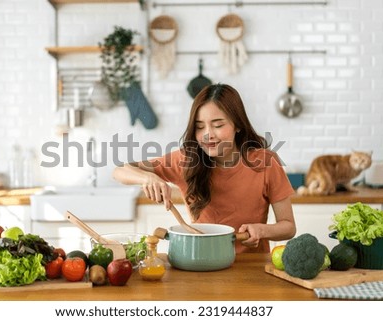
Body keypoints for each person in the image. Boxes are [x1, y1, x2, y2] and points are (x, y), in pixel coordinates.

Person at [112, 83, 296, 253]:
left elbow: (288, 227)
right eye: (200, 127)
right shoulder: (186, 160)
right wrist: (148, 178)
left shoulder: (265, 162)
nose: (208, 135)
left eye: (218, 125)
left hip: (252, 267)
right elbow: (119, 170)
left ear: (238, 125)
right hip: (200, 261)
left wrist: (262, 230)